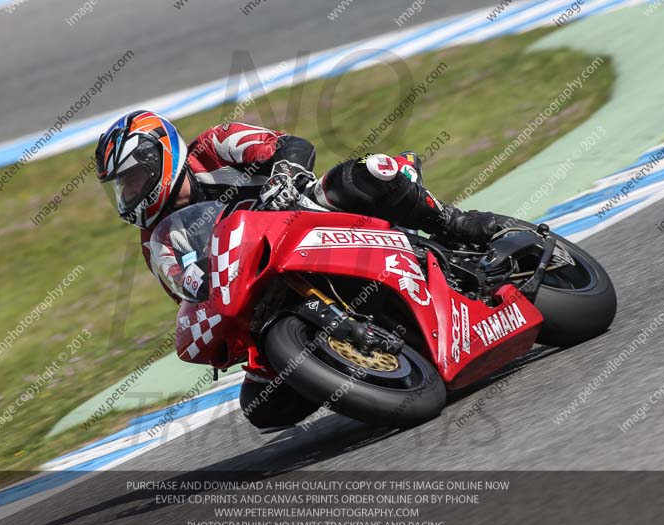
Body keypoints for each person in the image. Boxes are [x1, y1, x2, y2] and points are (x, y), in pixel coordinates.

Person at [95, 110, 497, 429]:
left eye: (132, 179)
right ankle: (352, 365)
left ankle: (452, 222)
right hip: (265, 282)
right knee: (261, 407)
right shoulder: (156, 240)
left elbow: (291, 145)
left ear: (161, 157)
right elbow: (189, 292)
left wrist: (284, 176)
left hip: (305, 215)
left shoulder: (216, 145)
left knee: (363, 174)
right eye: (121, 187)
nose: (129, 194)